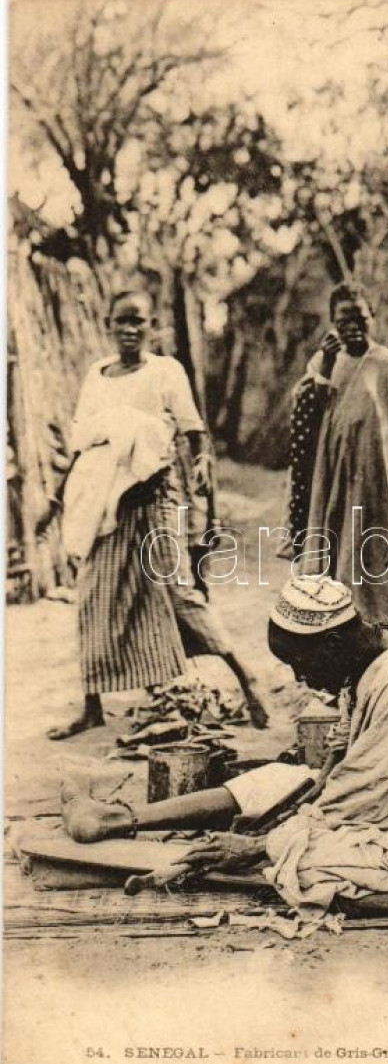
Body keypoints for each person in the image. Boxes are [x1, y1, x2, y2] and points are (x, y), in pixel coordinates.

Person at [61, 577, 388, 919]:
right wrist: (301, 796)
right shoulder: (372, 651)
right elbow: (343, 767)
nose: (300, 678)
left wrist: (262, 844)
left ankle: (145, 830)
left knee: (311, 861)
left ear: (335, 642)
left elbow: (367, 795)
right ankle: (118, 820)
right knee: (279, 784)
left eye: (301, 664)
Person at [49, 288, 268, 739]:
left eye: (139, 322)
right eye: (122, 321)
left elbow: (192, 431)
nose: (130, 330)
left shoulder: (166, 372)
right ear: (109, 324)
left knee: (176, 592)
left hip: (155, 497)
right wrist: (57, 498)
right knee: (93, 596)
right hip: (107, 501)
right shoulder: (97, 375)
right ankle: (92, 705)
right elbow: (83, 442)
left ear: (153, 327)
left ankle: (248, 678)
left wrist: (204, 462)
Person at [282, 284, 388, 628]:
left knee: (378, 567)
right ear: (332, 322)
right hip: (332, 487)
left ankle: (387, 638)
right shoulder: (323, 363)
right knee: (332, 570)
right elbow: (304, 423)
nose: (353, 327)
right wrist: (325, 367)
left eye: (360, 318)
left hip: (378, 490)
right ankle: (337, 642)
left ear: (372, 318)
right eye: (344, 319)